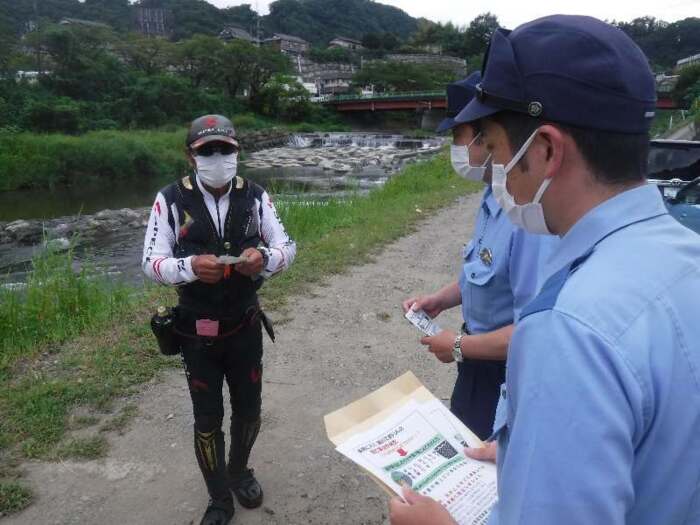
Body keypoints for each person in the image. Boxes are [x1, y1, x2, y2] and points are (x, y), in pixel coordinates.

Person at [390, 14, 700, 525]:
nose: (493, 169)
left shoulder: (569, 328)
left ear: (546, 150)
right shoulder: (683, 253)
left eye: (493, 147)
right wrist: (528, 455)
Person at [142, 114, 296, 525]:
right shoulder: (170, 200)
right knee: (207, 417)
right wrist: (189, 266)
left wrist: (266, 259)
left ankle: (240, 471)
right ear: (190, 154)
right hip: (196, 332)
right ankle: (218, 497)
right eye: (206, 150)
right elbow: (151, 262)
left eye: (224, 149)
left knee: (249, 410)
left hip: (245, 326)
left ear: (237, 152)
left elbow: (287, 247)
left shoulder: (256, 196)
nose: (216, 157)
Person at [403, 71, 554, 441]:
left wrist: (456, 346)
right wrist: (441, 299)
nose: (455, 148)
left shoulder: (526, 216)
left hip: (503, 373)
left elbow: (531, 333)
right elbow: (485, 270)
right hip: (476, 362)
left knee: (487, 467)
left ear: (487, 139)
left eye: (458, 136)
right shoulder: (492, 197)